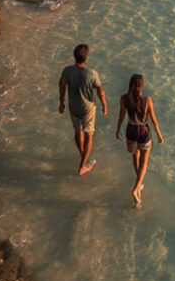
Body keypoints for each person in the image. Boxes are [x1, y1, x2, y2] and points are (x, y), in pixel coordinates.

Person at [115, 73, 163, 208]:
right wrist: (159, 134)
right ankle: (136, 188)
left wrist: (118, 130)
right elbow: (153, 120)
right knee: (144, 162)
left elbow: (121, 116)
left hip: (130, 131)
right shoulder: (147, 100)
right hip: (143, 132)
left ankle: (139, 184)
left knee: (135, 155)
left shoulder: (124, 99)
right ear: (142, 86)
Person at [58, 44, 107, 176]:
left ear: (74, 57)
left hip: (73, 107)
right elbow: (100, 91)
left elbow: (62, 84)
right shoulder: (92, 73)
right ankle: (82, 167)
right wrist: (104, 106)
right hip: (88, 109)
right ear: (86, 58)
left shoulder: (67, 71)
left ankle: (83, 157)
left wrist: (61, 102)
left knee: (77, 132)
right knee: (89, 136)